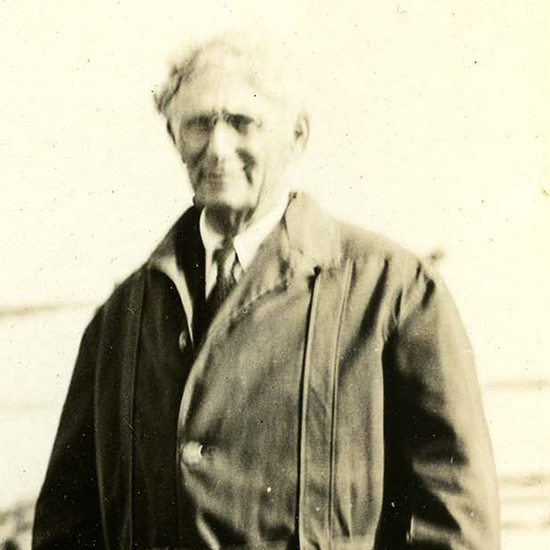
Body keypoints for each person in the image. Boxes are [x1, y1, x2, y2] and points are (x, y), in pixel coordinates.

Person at [32, 31, 500, 549]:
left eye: (241, 122)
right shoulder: (122, 318)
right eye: (197, 124)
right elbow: (66, 529)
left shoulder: (394, 293)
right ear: (173, 137)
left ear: (296, 135)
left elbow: (456, 522)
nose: (217, 148)